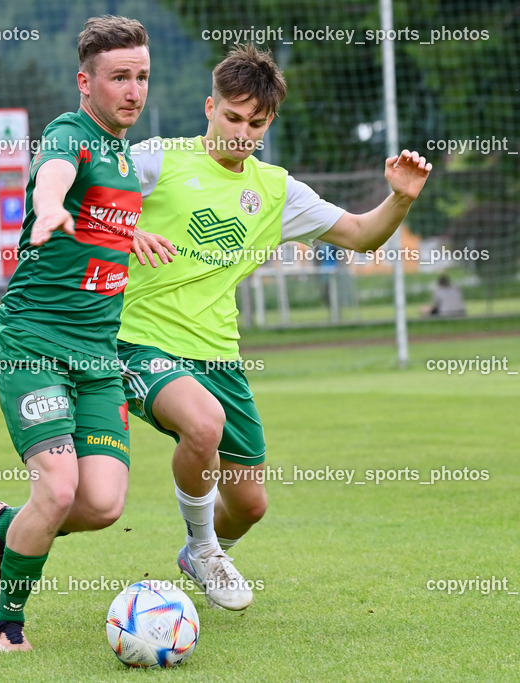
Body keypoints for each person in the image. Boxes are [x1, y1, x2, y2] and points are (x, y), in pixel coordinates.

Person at [118, 44, 432, 611]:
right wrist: (124, 232)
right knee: (203, 425)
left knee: (250, 505)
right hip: (139, 340)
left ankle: (200, 552)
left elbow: (361, 234)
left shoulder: (278, 191)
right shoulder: (156, 160)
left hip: (218, 354)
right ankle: (202, 545)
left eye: (255, 123)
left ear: (269, 125)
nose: (241, 132)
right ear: (209, 107)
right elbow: (80, 198)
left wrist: (400, 200)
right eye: (231, 117)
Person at [0, 15, 174, 652]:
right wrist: (50, 203)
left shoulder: (120, 153)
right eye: (120, 77)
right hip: (34, 345)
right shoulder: (71, 133)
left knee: (101, 505)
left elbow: (100, 212)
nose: (134, 90)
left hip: (96, 354)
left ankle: (6, 526)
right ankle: (6, 622)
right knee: (58, 489)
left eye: (142, 77)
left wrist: (128, 233)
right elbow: (59, 174)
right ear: (84, 82)